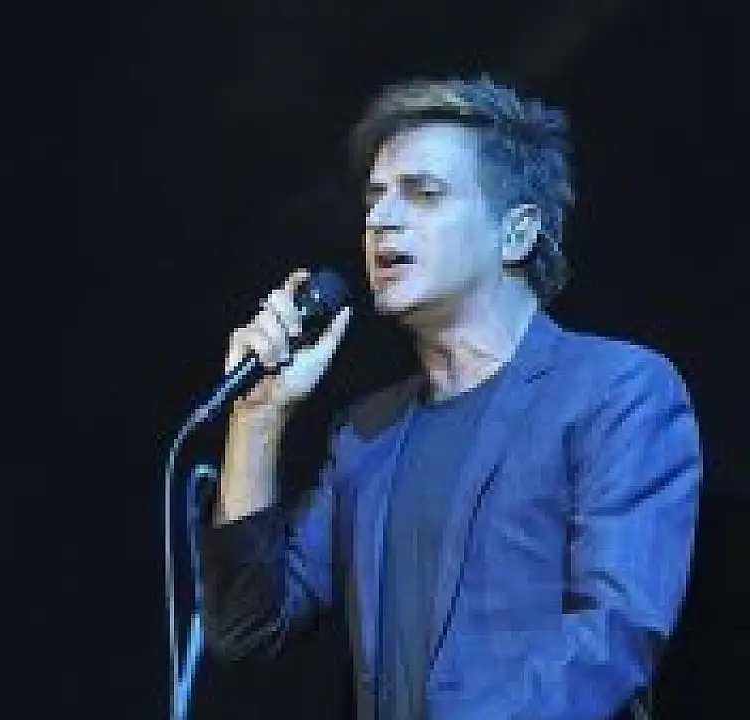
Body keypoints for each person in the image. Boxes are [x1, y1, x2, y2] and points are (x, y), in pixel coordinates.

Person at [198, 74, 702, 719]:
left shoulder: (616, 391)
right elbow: (249, 626)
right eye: (375, 198)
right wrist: (259, 417)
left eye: (423, 194)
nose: (381, 219)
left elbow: (613, 637)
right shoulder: (367, 435)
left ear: (517, 233)